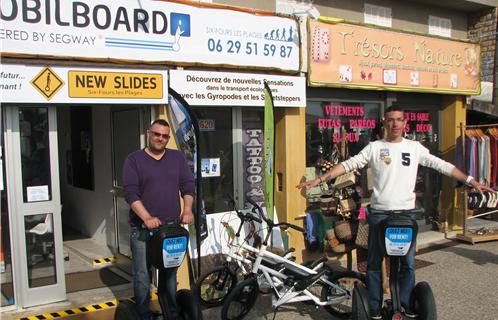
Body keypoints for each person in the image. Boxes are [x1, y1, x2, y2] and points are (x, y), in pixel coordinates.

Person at [297, 106, 493, 320]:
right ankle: (373, 309)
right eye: (390, 120)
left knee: (407, 265)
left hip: (406, 215)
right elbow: (349, 164)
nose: (395, 124)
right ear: (385, 122)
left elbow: (442, 165)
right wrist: (321, 178)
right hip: (380, 214)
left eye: (399, 120)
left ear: (405, 123)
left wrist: (471, 181)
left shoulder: (415, 147)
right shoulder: (374, 148)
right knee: (374, 264)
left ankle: (407, 306)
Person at [123, 119, 195, 320]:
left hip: (170, 229)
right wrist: (146, 217)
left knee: (169, 274)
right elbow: (131, 194)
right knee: (142, 276)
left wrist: (187, 209)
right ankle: (143, 314)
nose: (160, 139)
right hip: (142, 229)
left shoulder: (177, 158)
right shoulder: (134, 160)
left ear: (168, 138)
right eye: (157, 134)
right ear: (149, 133)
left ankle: (171, 313)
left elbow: (188, 186)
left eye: (164, 136)